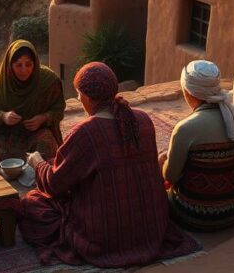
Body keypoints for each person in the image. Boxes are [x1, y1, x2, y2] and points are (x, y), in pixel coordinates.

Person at [19, 62, 197, 267]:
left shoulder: (86, 132)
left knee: (32, 202)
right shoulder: (142, 119)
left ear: (87, 96)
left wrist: (38, 162)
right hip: (150, 228)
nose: (78, 99)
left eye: (78, 94)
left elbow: (54, 185)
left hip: (102, 236)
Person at [160, 60, 234, 231]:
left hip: (192, 215)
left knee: (161, 163)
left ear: (188, 92)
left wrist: (163, 161)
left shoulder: (185, 128)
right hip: (233, 211)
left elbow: (171, 177)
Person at [0, 40, 65, 166]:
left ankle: (43, 180)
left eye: (28, 64)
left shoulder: (48, 81)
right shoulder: (3, 84)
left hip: (38, 131)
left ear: (35, 63)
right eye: (18, 65)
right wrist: (3, 116)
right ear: (10, 65)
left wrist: (43, 118)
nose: (24, 70)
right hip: (9, 133)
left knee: (45, 146)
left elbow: (58, 109)